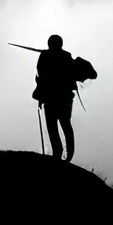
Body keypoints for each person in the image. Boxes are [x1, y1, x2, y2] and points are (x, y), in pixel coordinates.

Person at [34, 34, 78, 162]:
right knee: (59, 126)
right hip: (58, 98)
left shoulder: (49, 56)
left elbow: (40, 76)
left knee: (60, 125)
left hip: (55, 97)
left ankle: (63, 153)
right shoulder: (65, 56)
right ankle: (61, 153)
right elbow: (40, 76)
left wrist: (40, 97)